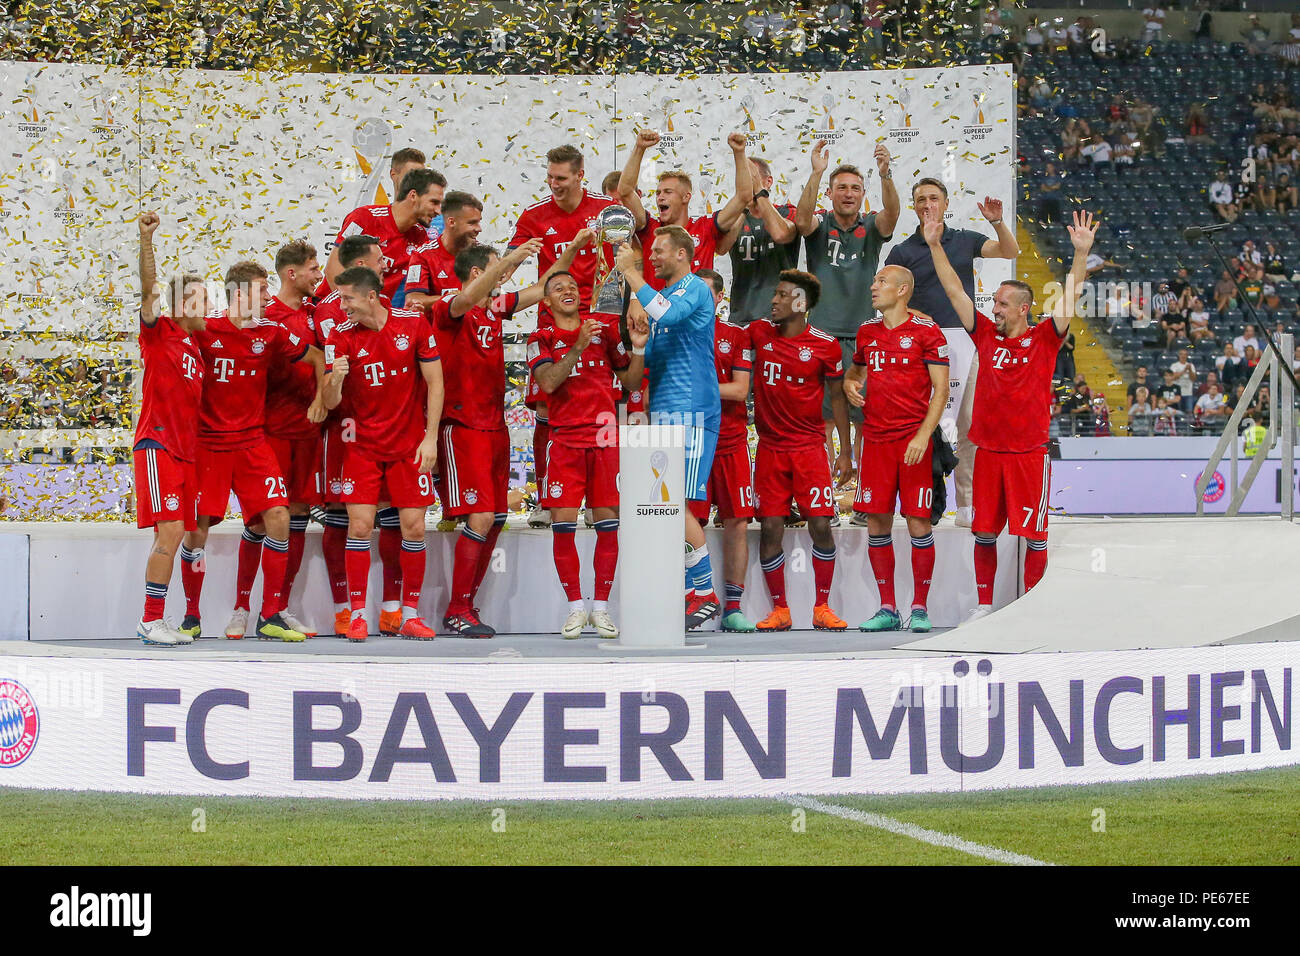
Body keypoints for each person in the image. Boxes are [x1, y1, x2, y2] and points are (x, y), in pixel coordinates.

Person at [926, 208, 1099, 621]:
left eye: (1002, 304)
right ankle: (985, 606)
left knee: (1034, 537)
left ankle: (1031, 611)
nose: (995, 309)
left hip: (1028, 456)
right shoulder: (984, 333)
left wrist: (1080, 255)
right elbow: (955, 294)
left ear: (1024, 309)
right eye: (995, 303)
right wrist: (934, 245)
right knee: (983, 533)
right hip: (988, 454)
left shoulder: (1045, 339)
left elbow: (1071, 295)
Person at [432, 236, 580, 637]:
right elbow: (464, 300)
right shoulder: (452, 306)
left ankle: (466, 604)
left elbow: (545, 286)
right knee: (480, 515)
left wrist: (573, 248)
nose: (507, 276)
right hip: (461, 427)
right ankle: (456, 607)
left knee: (497, 517)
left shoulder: (494, 309)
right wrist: (513, 257)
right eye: (499, 268)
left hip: (494, 425)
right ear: (480, 273)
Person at [182, 260, 326, 642]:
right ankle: (191, 615)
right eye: (263, 290)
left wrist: (322, 398)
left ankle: (271, 614)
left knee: (278, 516)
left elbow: (315, 357)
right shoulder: (205, 329)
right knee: (196, 531)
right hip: (209, 444)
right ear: (241, 293)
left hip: (252, 442)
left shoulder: (271, 332)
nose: (268, 296)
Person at [885, 176, 1020, 526]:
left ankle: (967, 505)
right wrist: (915, 314)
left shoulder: (964, 240)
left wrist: (996, 222)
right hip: (920, 349)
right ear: (914, 207)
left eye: (933, 198)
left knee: (971, 426)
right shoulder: (901, 251)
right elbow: (888, 296)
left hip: (967, 344)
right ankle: (923, 503)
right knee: (922, 425)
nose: (927, 204)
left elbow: (1009, 251)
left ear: (945, 204)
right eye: (920, 199)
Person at [322, 266, 443, 642]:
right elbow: (329, 403)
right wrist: (336, 377)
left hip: (409, 444)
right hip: (362, 446)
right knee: (359, 527)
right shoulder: (339, 337)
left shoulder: (413, 324)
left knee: (415, 528)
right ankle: (357, 615)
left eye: (347, 299)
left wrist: (431, 438)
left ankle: (409, 614)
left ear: (371, 296)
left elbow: (436, 382)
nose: (342, 307)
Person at [527, 263, 647, 639]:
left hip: (604, 440)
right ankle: (575, 608)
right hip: (563, 440)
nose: (568, 291)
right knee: (563, 525)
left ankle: (601, 609)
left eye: (572, 286)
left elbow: (628, 381)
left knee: (608, 524)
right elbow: (546, 382)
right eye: (558, 287)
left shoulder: (605, 330)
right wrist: (577, 345)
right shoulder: (540, 337)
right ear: (547, 301)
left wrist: (639, 349)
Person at [615, 225, 723, 631]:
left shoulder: (694, 287)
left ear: (682, 254)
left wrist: (631, 273)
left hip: (693, 410)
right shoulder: (658, 304)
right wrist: (639, 344)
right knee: (664, 506)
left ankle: (706, 592)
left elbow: (669, 312)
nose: (652, 257)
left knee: (675, 503)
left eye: (659, 251)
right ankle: (687, 592)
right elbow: (645, 370)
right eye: (650, 252)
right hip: (663, 411)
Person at [509, 144, 615, 530]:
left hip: (599, 321)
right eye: (550, 177)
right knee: (545, 410)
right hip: (551, 323)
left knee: (601, 407)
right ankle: (546, 497)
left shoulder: (605, 210)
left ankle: (599, 499)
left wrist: (631, 303)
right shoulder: (535, 216)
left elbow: (629, 255)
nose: (553, 184)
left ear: (580, 174)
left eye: (562, 178)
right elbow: (511, 261)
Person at [842, 265, 949, 633]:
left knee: (918, 522)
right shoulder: (866, 333)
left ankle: (919, 607)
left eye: (881, 282)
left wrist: (923, 436)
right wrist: (850, 385)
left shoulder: (926, 332)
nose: (874, 286)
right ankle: (887, 608)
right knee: (877, 522)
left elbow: (942, 389)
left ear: (903, 290)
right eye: (874, 280)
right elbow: (855, 373)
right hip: (875, 441)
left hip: (912, 444)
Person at [747, 270, 853, 631]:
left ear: (801, 304)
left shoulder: (825, 345)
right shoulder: (758, 333)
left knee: (821, 524)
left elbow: (838, 398)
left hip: (809, 448)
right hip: (771, 449)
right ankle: (781, 610)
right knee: (770, 526)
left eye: (781, 295)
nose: (773, 300)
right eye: (773, 294)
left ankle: (822, 607)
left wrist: (845, 451)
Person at [313, 233, 406, 636]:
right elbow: (327, 367)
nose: (386, 265)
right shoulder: (330, 312)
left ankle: (391, 610)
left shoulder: (393, 308)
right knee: (343, 520)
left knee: (393, 518)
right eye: (379, 260)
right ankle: (344, 611)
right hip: (343, 430)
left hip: (389, 428)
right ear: (360, 267)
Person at [795, 138, 899, 477]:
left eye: (855, 188)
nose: (849, 193)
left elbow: (893, 215)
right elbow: (801, 220)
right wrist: (816, 172)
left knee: (863, 415)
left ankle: (862, 486)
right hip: (822, 334)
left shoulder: (870, 226)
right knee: (823, 416)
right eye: (841, 187)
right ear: (831, 193)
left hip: (864, 335)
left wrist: (885, 176)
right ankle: (825, 481)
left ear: (862, 193)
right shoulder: (819, 225)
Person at [134, 211, 208, 646]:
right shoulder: (159, 332)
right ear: (181, 306)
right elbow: (149, 288)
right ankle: (150, 619)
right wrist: (147, 241)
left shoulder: (195, 349)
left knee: (184, 531)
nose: (209, 307)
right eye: (201, 299)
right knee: (171, 533)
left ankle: (156, 618)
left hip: (185, 454)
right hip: (157, 445)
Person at [247, 239, 325, 638]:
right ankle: (241, 608)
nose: (319, 275)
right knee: (262, 521)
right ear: (292, 274)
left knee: (295, 519)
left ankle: (277, 607)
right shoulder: (266, 316)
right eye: (313, 268)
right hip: (271, 433)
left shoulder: (317, 314)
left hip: (307, 434)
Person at [687, 269, 757, 632]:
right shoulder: (678, 332)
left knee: (738, 524)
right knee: (688, 522)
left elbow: (740, 391)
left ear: (719, 297)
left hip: (729, 441)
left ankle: (732, 605)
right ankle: (695, 597)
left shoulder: (735, 335)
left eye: (704, 292)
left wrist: (695, 388)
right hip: (693, 442)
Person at [617, 129, 751, 283]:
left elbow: (744, 196)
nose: (660, 197)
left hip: (695, 307)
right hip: (656, 307)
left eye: (668, 192)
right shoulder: (651, 229)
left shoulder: (706, 227)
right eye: (658, 193)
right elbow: (625, 191)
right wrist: (639, 148)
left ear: (686, 197)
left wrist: (739, 152)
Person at [322, 167, 441, 300]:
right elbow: (333, 268)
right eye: (434, 202)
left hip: (368, 315)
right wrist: (348, 310)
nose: (438, 211)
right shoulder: (365, 218)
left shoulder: (420, 238)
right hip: (332, 310)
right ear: (413, 196)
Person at [724, 155, 799, 327]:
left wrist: (760, 192)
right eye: (743, 178)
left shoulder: (787, 212)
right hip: (741, 317)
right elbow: (722, 247)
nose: (748, 183)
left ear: (769, 181)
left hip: (781, 319)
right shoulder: (733, 216)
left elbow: (781, 234)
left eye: (753, 178)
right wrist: (742, 206)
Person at [404, 190, 482, 307]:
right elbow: (412, 300)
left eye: (479, 222)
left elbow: (496, 298)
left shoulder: (484, 255)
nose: (479, 229)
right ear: (452, 222)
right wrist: (452, 300)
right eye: (472, 223)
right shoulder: (423, 255)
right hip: (437, 325)